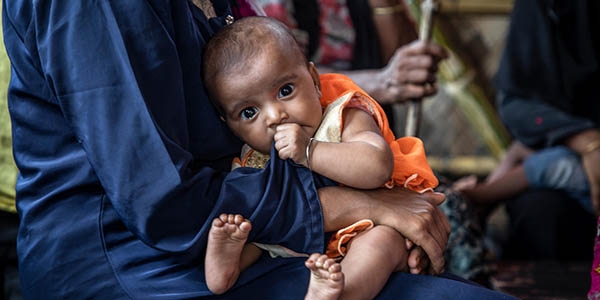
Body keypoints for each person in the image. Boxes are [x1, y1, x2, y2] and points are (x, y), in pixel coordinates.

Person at [2, 0, 517, 298]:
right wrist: (365, 207)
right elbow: (162, 199)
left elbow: (275, 73)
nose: (270, 116)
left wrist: (381, 223)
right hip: (135, 259)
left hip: (247, 221)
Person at [201, 16, 439, 299]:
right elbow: (267, 210)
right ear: (230, 126)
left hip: (361, 232)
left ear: (314, 81)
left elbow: (377, 167)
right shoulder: (254, 160)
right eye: (249, 112)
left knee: (382, 242)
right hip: (295, 243)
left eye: (285, 91)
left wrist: (309, 151)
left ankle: (341, 294)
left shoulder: (343, 116)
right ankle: (223, 267)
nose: (275, 116)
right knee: (252, 229)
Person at [487, 0, 599, 297]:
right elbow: (519, 105)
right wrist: (587, 141)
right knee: (540, 212)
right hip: (567, 149)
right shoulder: (547, 7)